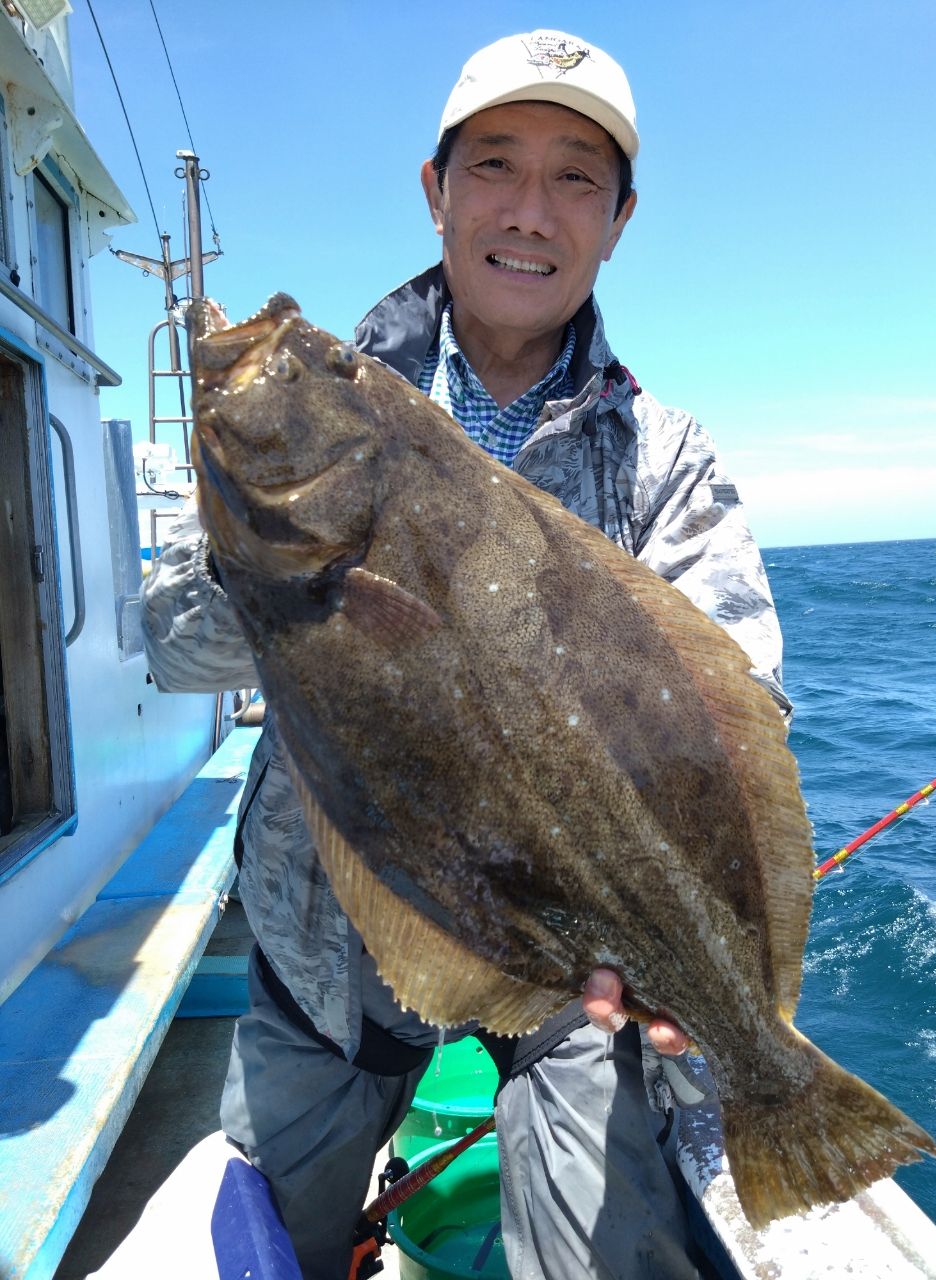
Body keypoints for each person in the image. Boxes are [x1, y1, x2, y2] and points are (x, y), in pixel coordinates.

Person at [142, 29, 790, 1280]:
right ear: (436, 191)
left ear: (619, 220)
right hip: (322, 926)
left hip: (559, 938)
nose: (529, 210)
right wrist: (275, 560)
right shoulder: (353, 395)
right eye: (494, 165)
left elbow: (738, 689)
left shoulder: (666, 464)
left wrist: (685, 940)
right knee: (273, 1238)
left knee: (611, 1221)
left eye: (575, 179)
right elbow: (174, 648)